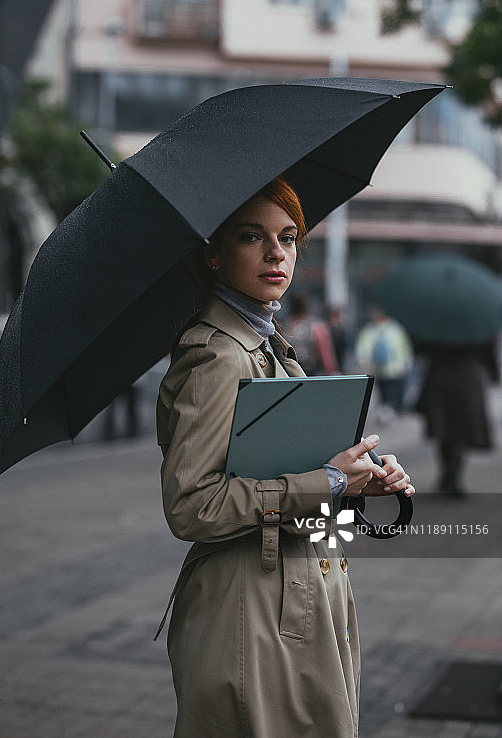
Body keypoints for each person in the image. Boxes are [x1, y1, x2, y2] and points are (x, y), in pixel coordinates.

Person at [156, 177, 414, 738]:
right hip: (250, 609)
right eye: (253, 237)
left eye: (289, 237)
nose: (277, 253)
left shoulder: (268, 341)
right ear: (215, 255)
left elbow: (282, 473)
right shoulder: (218, 356)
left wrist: (356, 482)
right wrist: (325, 480)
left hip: (291, 596)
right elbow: (192, 507)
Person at [415, 341, 498, 496]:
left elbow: (422, 348)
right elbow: (488, 353)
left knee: (444, 430)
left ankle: (448, 474)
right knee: (460, 431)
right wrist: (494, 373)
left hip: (440, 377)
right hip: (467, 379)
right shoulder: (478, 327)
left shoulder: (437, 326)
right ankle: (453, 475)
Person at [354, 307, 413, 420]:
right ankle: (388, 410)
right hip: (392, 369)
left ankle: (388, 410)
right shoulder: (396, 329)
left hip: (385, 369)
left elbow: (362, 349)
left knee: (388, 392)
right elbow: (404, 347)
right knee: (389, 391)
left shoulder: (370, 330)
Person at [288, 292, 337, 375]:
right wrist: (331, 372)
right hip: (314, 373)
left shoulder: (286, 327)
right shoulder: (316, 326)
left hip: (291, 373)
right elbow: (325, 355)